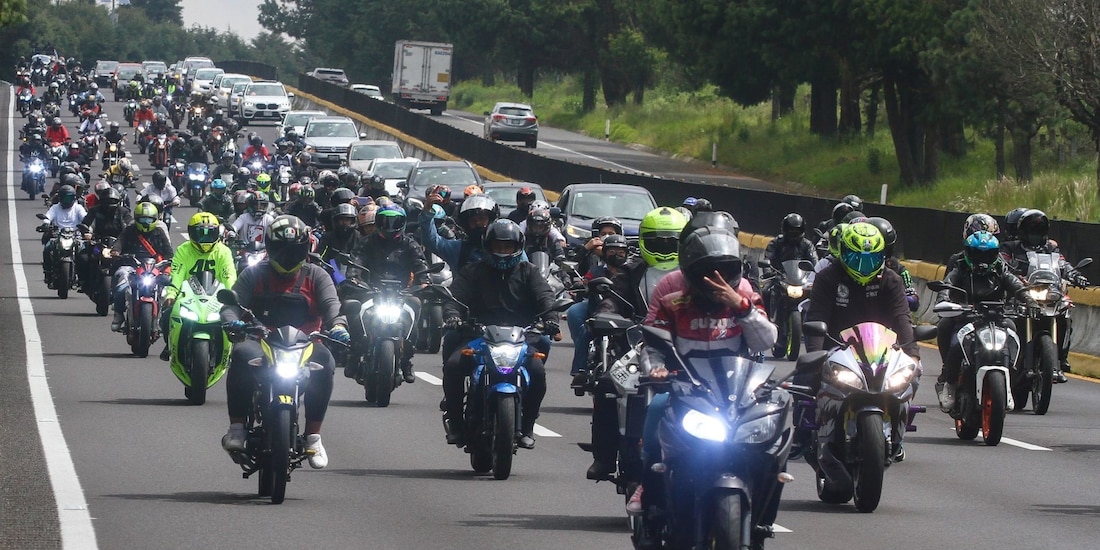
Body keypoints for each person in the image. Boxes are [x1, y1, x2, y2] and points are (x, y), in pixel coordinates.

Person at [627, 225, 778, 529]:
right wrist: (654, 369)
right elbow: (652, 345)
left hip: (737, 390)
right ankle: (648, 486)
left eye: (725, 270)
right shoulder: (671, 295)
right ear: (690, 270)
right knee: (656, 412)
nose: (716, 279)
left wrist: (740, 307)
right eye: (708, 271)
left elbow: (767, 340)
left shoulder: (746, 295)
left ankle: (763, 508)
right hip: (685, 388)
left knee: (772, 427)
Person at [220, 215, 350, 469]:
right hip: (261, 339)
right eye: (282, 249)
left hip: (307, 343)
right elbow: (231, 305)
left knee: (326, 362)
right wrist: (231, 321)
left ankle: (314, 436)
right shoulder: (254, 273)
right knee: (240, 355)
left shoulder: (319, 275)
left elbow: (332, 306)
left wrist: (338, 326)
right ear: (270, 247)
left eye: (294, 250)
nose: (287, 255)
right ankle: (236, 428)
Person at [794, 222, 918, 456]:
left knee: (913, 375)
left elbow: (903, 317)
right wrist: (815, 356)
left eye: (871, 259)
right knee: (804, 376)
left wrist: (913, 353)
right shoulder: (827, 278)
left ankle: (896, 434)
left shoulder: (891, 280)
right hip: (837, 348)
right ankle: (800, 434)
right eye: (856, 257)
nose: (864, 265)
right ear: (843, 253)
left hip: (882, 350)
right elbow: (817, 318)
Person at [441, 219, 559, 449]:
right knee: (454, 366)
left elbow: (546, 297)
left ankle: (527, 426)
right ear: (488, 246)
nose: (503, 252)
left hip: (521, 336)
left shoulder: (529, 272)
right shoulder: (473, 271)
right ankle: (455, 423)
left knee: (537, 371)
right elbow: (454, 298)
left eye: (508, 247)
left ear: (518, 247)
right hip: (478, 334)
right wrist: (452, 315)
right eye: (498, 246)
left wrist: (551, 319)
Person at [934, 230, 1030, 409]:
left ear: (995, 255)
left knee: (1013, 331)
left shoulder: (1001, 270)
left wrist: (1029, 299)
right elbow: (947, 284)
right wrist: (944, 299)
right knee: (954, 341)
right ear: (968, 253)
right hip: (966, 318)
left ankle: (1009, 383)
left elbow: (1015, 284)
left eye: (987, 255)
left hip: (997, 318)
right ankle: (950, 384)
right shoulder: (960, 268)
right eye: (977, 254)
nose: (982, 259)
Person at [1000, 209, 1088, 382]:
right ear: (1022, 232)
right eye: (1032, 232)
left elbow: (1063, 264)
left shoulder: (1051, 247)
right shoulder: (1010, 248)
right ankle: (1009, 358)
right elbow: (1002, 264)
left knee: (1065, 313)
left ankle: (1061, 359)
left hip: (1049, 293)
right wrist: (1013, 276)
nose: (1035, 236)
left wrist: (1076, 276)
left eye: (1039, 232)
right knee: (1008, 320)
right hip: (1020, 295)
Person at [347, 205, 429, 383]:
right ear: (378, 222)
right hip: (371, 289)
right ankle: (355, 352)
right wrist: (354, 277)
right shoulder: (367, 242)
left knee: (415, 305)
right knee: (352, 308)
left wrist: (424, 280)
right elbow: (356, 260)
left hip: (401, 292)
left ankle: (407, 359)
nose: (390, 226)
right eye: (386, 221)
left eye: (395, 222)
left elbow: (419, 263)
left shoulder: (409, 243)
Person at [159, 212, 237, 361]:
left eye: (209, 234)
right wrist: (171, 294)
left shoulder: (224, 251)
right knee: (167, 314)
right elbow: (177, 274)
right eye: (200, 234)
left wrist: (233, 296)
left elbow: (229, 275)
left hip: (216, 297)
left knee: (235, 322)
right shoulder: (183, 250)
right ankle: (169, 345)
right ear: (191, 233)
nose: (205, 239)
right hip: (188, 296)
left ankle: (231, 349)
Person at [108, 202, 174, 332]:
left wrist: (169, 261)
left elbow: (168, 252)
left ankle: (165, 320)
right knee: (121, 287)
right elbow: (119, 242)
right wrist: (116, 251)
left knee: (169, 291)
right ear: (137, 219)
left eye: (149, 219)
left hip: (154, 268)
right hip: (131, 266)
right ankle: (118, 314)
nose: (146, 222)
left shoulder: (159, 232)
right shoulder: (129, 231)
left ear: (155, 219)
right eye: (143, 219)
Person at [420, 192, 505, 271]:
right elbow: (431, 241)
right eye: (473, 220)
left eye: (482, 219)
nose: (478, 223)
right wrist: (427, 211)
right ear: (466, 224)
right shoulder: (459, 249)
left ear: (491, 219)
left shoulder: (503, 246)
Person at [761, 212, 818, 316]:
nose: (794, 232)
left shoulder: (807, 245)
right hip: (780, 276)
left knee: (817, 293)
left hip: (801, 279)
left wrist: (815, 271)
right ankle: (766, 317)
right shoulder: (776, 243)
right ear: (785, 229)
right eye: (791, 229)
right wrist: (768, 271)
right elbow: (768, 257)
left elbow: (814, 261)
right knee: (765, 291)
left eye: (797, 230)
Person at [865, 216, 919, 312]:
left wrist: (900, 298)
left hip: (886, 322)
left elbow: (914, 302)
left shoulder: (896, 268)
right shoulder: (848, 269)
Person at [40, 185, 87, 287]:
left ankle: (84, 278)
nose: (66, 200)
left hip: (76, 236)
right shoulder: (55, 208)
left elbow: (85, 218)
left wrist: (86, 226)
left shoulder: (78, 208)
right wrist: (46, 223)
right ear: (60, 198)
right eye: (64, 197)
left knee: (85, 255)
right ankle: (48, 272)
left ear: (74, 198)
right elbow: (48, 217)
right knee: (47, 248)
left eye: (69, 197)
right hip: (58, 235)